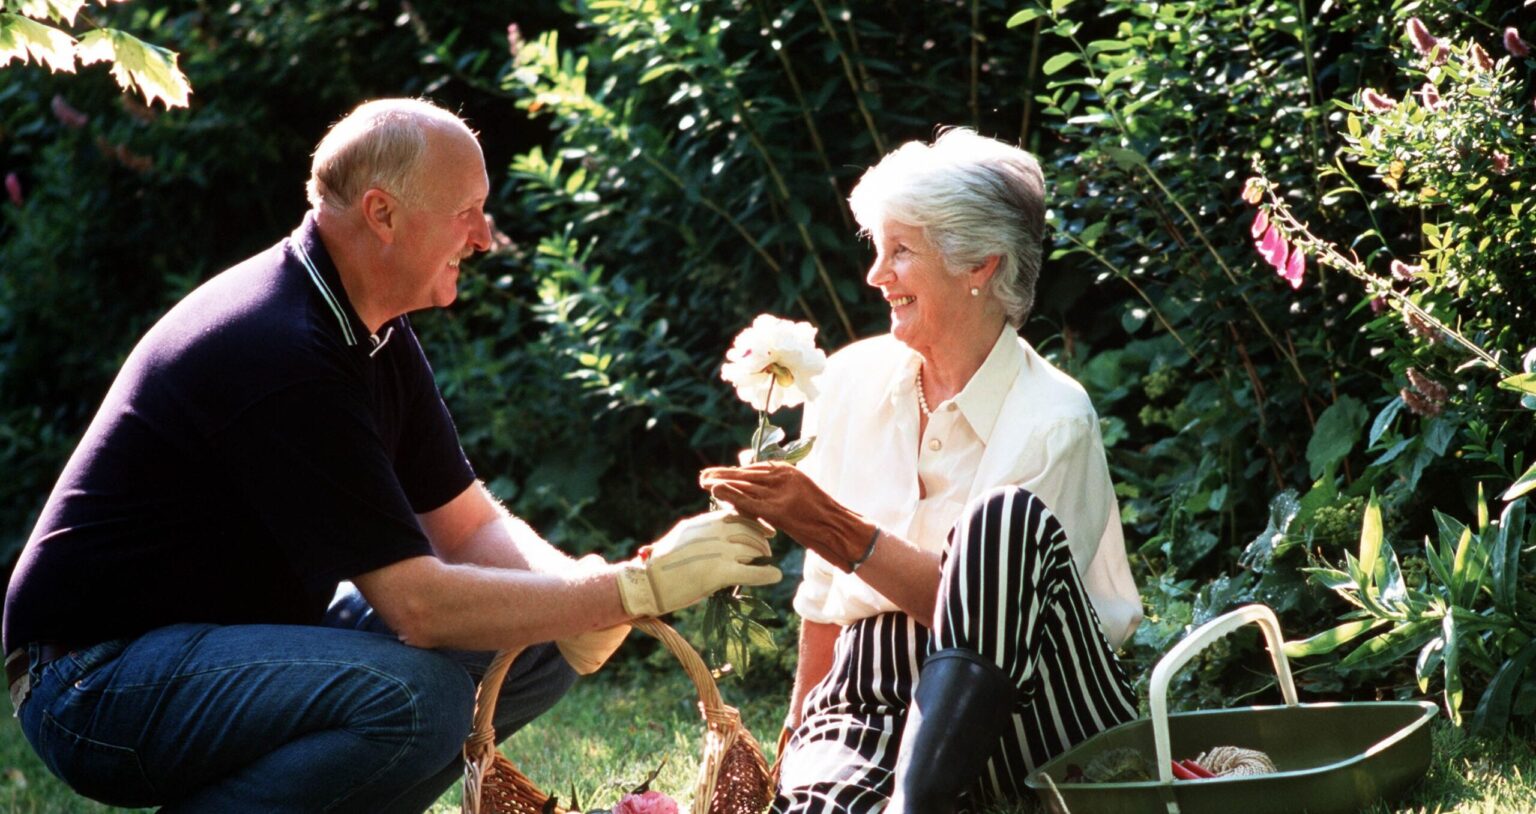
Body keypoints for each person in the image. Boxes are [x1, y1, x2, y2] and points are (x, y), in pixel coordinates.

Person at [2, 98, 780, 813]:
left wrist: (588, 591)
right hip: (93, 682)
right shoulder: (281, 350)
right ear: (382, 213)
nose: (482, 236)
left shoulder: (369, 329)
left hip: (211, 648)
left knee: (537, 640)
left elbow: (468, 525)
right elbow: (419, 609)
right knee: (423, 697)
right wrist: (628, 591)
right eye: (467, 213)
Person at [702, 128, 1142, 813]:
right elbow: (824, 601)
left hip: (1030, 706)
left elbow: (993, 618)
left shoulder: (1055, 417)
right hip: (870, 695)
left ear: (980, 266)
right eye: (879, 249)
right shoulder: (849, 382)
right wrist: (796, 744)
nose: (877, 274)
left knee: (1004, 523)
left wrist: (832, 527)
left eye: (901, 252)